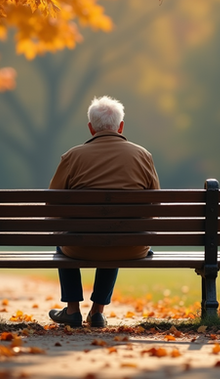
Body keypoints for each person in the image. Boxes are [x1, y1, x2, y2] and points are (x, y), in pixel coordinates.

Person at [47, 95, 160, 328]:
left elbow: (52, 204)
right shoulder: (143, 156)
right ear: (120, 127)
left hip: (79, 247)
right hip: (130, 246)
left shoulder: (73, 156)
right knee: (117, 233)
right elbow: (154, 207)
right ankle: (97, 311)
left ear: (91, 128)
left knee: (64, 239)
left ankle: (72, 310)